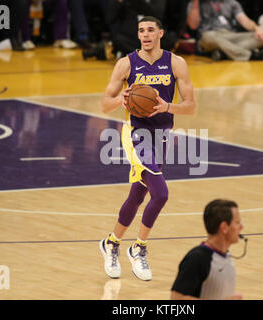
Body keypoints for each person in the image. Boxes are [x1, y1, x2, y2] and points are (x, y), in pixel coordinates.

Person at [99, 16, 196, 281]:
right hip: (135, 133)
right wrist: (123, 98)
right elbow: (105, 104)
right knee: (161, 193)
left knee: (138, 194)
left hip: (162, 134)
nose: (145, 34)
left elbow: (191, 106)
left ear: (161, 33)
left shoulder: (177, 63)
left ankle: (112, 242)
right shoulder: (126, 63)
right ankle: (138, 248)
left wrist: (167, 107)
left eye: (150, 30)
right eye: (141, 30)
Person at [171, 199, 244, 300]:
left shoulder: (225, 255)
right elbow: (176, 299)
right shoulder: (197, 258)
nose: (241, 227)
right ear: (224, 227)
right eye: (237, 222)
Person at [187, 0, 263, 61]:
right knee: (209, 36)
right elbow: (193, 26)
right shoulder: (194, 4)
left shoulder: (232, 3)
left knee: (261, 37)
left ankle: (224, 54)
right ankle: (250, 56)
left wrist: (257, 28)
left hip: (229, 35)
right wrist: (195, 3)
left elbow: (244, 20)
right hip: (208, 36)